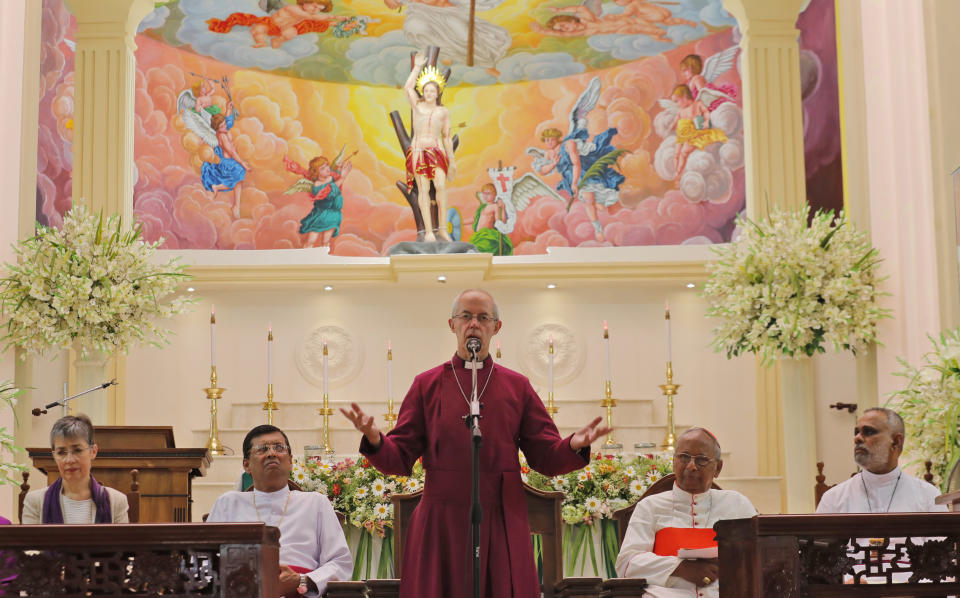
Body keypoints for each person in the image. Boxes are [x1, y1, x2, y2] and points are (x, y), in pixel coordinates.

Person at [340, 288, 612, 598]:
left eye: (483, 317)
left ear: (496, 328)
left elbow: (545, 456)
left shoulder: (516, 386)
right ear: (451, 324)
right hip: (441, 520)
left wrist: (573, 444)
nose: (474, 324)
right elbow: (400, 457)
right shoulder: (426, 384)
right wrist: (375, 439)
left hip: (501, 515)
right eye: (466, 316)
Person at [207, 425, 352, 597]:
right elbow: (208, 560)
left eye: (279, 448)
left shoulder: (315, 503)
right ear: (247, 465)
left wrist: (302, 581)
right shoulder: (228, 503)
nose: (271, 454)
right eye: (262, 449)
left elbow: (340, 562)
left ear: (290, 460)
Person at [615, 428, 756, 597]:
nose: (691, 466)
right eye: (684, 457)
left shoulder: (737, 505)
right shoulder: (650, 507)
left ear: (717, 468)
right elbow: (627, 564)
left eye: (702, 460)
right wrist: (680, 567)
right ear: (674, 461)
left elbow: (758, 559)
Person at [817, 407, 945, 514]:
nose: (857, 438)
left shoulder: (928, 496)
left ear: (896, 441)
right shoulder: (833, 499)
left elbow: (943, 544)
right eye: (856, 432)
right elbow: (817, 544)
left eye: (868, 431)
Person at [21, 414, 129, 524]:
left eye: (77, 450)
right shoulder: (35, 502)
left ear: (93, 451)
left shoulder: (116, 501)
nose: (69, 460)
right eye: (61, 452)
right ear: (54, 456)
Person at [403, 52, 456, 243]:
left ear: (438, 92)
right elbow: (408, 87)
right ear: (423, 92)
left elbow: (447, 136)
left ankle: (442, 229)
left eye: (432, 91)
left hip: (437, 151)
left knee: (440, 185)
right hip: (418, 151)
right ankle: (428, 232)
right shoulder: (417, 106)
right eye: (426, 91)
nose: (429, 94)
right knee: (423, 189)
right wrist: (417, 66)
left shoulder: (443, 112)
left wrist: (452, 161)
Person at [207, 0, 348, 49]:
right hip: (271, 24)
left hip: (284, 28)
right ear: (304, 1)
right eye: (314, 6)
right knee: (259, 29)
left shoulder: (308, 14)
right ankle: (261, 42)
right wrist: (335, 16)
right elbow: (313, 17)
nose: (315, 10)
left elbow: (314, 20)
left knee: (291, 32)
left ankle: (278, 39)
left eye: (319, 9)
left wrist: (336, 22)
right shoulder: (293, 9)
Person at [284, 155, 353, 247]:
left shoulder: (331, 176)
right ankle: (306, 256)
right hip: (320, 215)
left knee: (326, 241)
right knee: (311, 240)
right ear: (316, 173)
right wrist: (343, 177)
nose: (327, 169)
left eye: (327, 165)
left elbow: (336, 178)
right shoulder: (317, 185)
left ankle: (323, 258)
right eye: (322, 168)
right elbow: (330, 190)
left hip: (333, 215)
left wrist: (340, 168)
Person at [669, 84, 727, 179]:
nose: (677, 104)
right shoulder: (681, 110)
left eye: (677, 101)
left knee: (683, 153)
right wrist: (672, 125)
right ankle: (676, 171)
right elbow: (677, 119)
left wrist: (706, 121)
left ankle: (679, 173)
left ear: (684, 97)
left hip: (693, 134)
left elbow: (706, 112)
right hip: (681, 136)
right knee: (676, 154)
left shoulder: (698, 104)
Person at [201, 110, 251, 218]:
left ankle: (236, 206)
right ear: (217, 129)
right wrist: (242, 162)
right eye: (222, 126)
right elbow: (231, 152)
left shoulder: (224, 129)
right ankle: (217, 187)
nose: (225, 126)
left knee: (239, 181)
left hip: (230, 161)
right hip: (227, 163)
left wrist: (228, 109)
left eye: (224, 124)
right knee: (240, 172)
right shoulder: (222, 136)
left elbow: (228, 121)